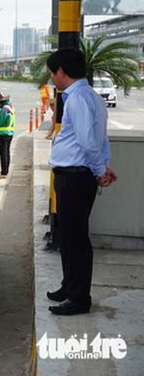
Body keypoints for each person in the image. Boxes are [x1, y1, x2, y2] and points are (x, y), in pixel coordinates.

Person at [45, 47, 118, 316]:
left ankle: (78, 299)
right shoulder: (93, 98)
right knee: (69, 236)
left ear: (61, 72)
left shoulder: (76, 99)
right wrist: (103, 166)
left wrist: (99, 170)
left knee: (75, 239)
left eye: (53, 73)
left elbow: (89, 142)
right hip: (77, 176)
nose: (52, 78)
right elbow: (102, 139)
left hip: (75, 177)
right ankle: (70, 286)